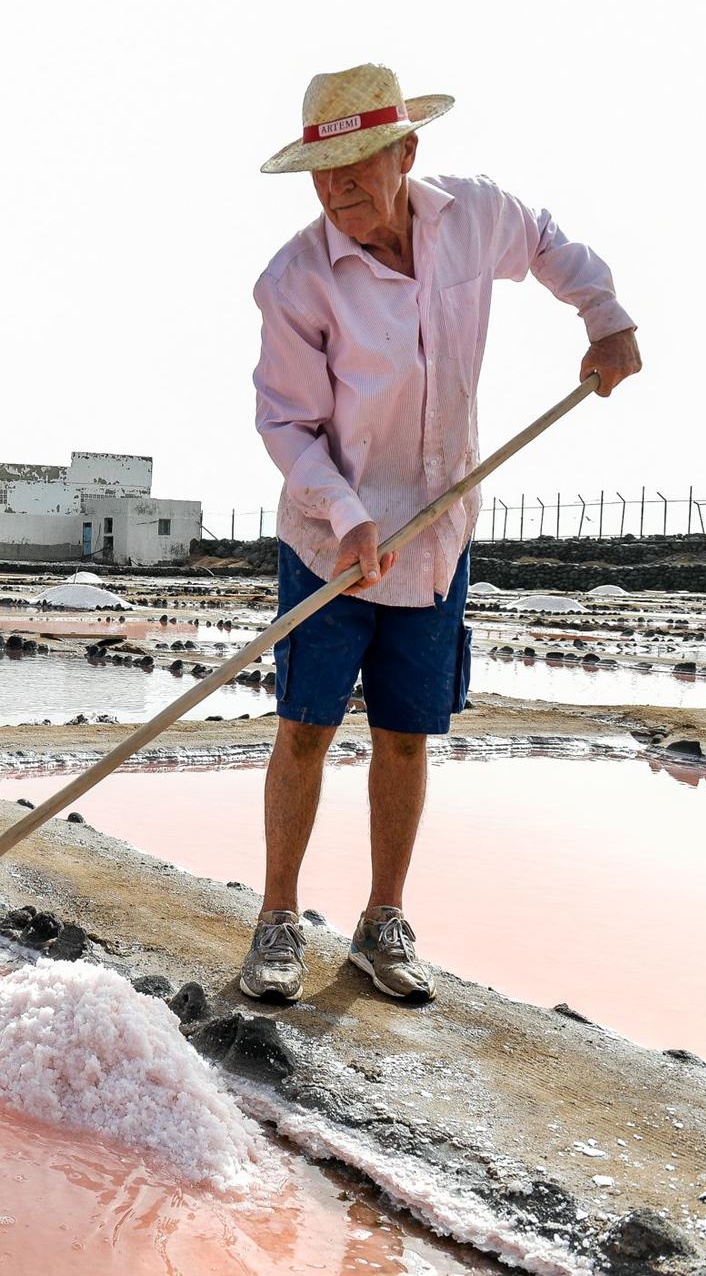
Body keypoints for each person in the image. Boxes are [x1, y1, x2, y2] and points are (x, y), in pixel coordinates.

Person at [240, 64, 641, 1003]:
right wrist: (347, 516)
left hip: (435, 536)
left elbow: (548, 242)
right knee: (304, 728)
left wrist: (605, 316)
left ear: (406, 153)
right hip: (329, 540)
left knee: (407, 734)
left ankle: (383, 923)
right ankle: (277, 920)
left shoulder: (473, 217)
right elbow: (286, 428)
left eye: (354, 169)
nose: (338, 193)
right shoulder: (295, 280)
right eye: (322, 175)